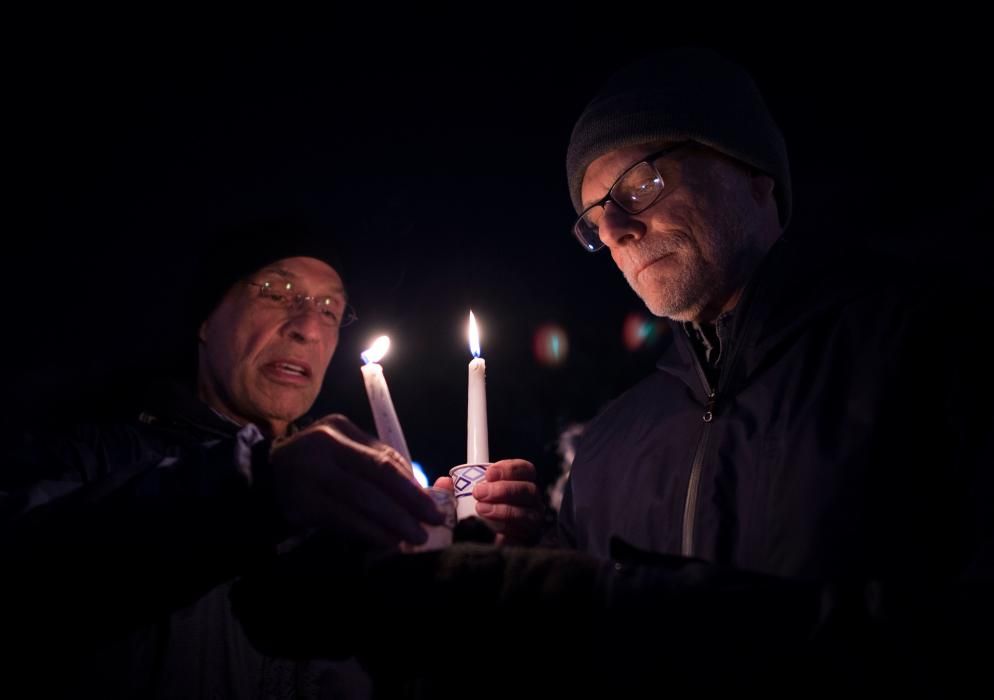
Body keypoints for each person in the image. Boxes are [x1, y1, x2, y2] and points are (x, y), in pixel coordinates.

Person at [280, 50, 990, 695]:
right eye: (593, 218)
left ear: (755, 176)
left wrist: (596, 605)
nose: (615, 228)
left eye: (639, 183)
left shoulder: (936, 345)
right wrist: (522, 557)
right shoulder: (612, 442)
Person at [0, 221, 543, 698]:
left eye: (330, 307)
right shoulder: (94, 458)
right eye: (277, 291)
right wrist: (252, 487)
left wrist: (478, 577)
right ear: (205, 319)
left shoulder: (353, 500)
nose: (307, 327)